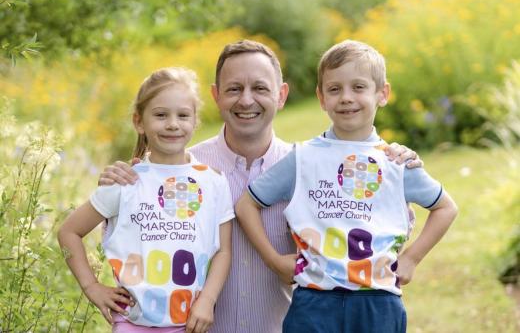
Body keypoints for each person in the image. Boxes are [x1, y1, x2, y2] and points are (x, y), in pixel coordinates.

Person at [98, 40, 423, 333]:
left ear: (281, 95)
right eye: (234, 89)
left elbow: (379, 220)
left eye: (260, 88)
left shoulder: (309, 167)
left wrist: (395, 164)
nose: (247, 100)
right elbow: (132, 237)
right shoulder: (178, 173)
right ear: (216, 96)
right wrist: (119, 186)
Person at [235, 39, 458, 333]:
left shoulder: (396, 161)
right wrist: (273, 259)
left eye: (359, 87)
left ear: (383, 93)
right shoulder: (302, 158)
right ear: (321, 97)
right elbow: (245, 204)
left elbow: (445, 208)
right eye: (335, 89)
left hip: (377, 303)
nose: (346, 97)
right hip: (314, 302)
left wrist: (412, 258)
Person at [58, 67, 234, 333]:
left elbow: (223, 251)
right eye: (161, 115)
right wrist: (92, 287)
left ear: (195, 120)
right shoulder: (125, 181)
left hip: (188, 323)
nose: (173, 123)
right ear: (139, 122)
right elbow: (68, 232)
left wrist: (207, 300)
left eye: (183, 115)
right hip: (131, 322)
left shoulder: (214, 182)